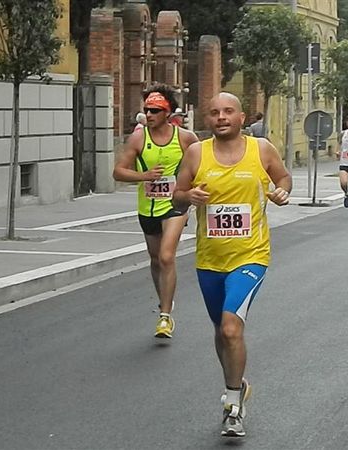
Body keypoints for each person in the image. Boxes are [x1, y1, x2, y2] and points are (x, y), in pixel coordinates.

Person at [173, 92, 291, 438]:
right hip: (210, 259)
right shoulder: (197, 153)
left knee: (230, 328)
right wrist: (188, 196)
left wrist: (281, 192)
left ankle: (233, 403)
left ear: (242, 118)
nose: (221, 117)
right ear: (207, 120)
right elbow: (177, 196)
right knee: (220, 332)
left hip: (250, 255)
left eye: (228, 111)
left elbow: (283, 178)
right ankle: (236, 382)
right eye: (214, 113)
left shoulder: (261, 149)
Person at [113, 85, 199, 338]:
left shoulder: (185, 138)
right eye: (147, 110)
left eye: (155, 110)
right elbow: (118, 171)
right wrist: (144, 176)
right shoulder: (139, 138)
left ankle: (164, 316)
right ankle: (165, 301)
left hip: (175, 206)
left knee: (166, 256)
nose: (149, 114)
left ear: (168, 112)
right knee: (154, 259)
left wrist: (194, 188)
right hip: (148, 207)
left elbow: (203, 162)